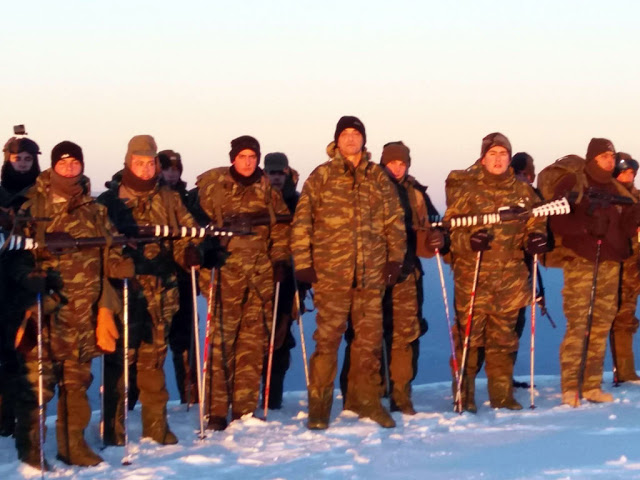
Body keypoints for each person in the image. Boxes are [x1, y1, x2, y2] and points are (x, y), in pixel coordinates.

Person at [14, 141, 129, 468]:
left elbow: (110, 249)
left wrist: (119, 265)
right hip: (46, 309)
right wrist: (28, 276)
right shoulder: (32, 207)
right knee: (40, 384)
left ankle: (72, 444)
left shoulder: (95, 209)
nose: (69, 168)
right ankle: (31, 449)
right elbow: (13, 254)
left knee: (77, 384)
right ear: (53, 167)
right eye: (62, 163)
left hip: (85, 311)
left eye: (74, 163)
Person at [291, 116, 407, 429]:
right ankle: (319, 408)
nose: (351, 139)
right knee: (326, 342)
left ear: (364, 140)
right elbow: (302, 222)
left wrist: (394, 260)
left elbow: (394, 222)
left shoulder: (378, 178)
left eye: (356, 134)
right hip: (332, 275)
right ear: (337, 140)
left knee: (368, 344)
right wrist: (303, 262)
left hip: (370, 274)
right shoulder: (321, 176)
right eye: (346, 134)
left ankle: (365, 402)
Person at [98, 135, 202, 446]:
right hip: (123, 295)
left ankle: (156, 425)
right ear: (128, 163)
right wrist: (117, 261)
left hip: (161, 292)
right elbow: (96, 246)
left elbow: (189, 231)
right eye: (139, 163)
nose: (145, 169)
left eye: (150, 163)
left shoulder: (169, 198)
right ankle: (114, 428)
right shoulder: (109, 202)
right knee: (119, 362)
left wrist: (189, 251)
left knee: (153, 361)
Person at [444, 133, 548, 413]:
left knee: (503, 341)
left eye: (503, 154)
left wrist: (536, 238)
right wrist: (469, 242)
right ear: (483, 158)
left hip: (510, 279)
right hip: (473, 277)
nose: (499, 159)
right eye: (493, 154)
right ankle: (463, 398)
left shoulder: (523, 191)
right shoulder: (467, 191)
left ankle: (502, 396)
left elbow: (537, 222)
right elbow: (448, 232)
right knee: (469, 341)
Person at [342, 141, 443, 415]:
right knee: (365, 336)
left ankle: (401, 395)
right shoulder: (367, 186)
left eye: (402, 163)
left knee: (405, 335)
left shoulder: (416, 193)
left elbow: (434, 226)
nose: (397, 168)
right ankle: (359, 396)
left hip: (406, 273)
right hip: (370, 272)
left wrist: (437, 238)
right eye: (392, 163)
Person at [197, 135, 291, 431]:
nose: (248, 162)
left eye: (253, 157)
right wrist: (205, 255)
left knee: (252, 342)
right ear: (233, 158)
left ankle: (244, 407)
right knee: (222, 341)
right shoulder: (215, 189)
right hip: (225, 274)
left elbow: (281, 230)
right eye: (243, 157)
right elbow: (200, 227)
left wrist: (278, 260)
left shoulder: (268, 191)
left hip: (261, 276)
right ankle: (215, 410)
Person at [550, 138, 638, 406]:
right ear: (592, 159)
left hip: (611, 264)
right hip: (581, 263)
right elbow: (557, 220)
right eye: (604, 156)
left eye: (612, 156)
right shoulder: (574, 184)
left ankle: (591, 385)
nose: (610, 160)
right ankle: (569, 387)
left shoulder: (616, 189)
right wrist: (586, 226)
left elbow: (626, 225)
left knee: (600, 325)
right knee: (578, 325)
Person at [0, 136, 41, 438]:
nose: (23, 164)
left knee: (24, 350)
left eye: (28, 159)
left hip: (28, 280)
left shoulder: (40, 195)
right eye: (18, 159)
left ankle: (18, 416)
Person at [158, 149, 199, 404]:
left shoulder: (187, 198)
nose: (172, 174)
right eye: (167, 169)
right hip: (157, 278)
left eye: (176, 169)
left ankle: (189, 396)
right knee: (152, 343)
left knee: (185, 342)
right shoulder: (153, 198)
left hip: (184, 278)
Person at [261, 152, 299, 409]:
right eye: (271, 172)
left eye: (280, 173)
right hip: (257, 276)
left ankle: (272, 397)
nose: (276, 177)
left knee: (281, 335)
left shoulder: (298, 202)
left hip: (288, 277)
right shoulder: (257, 199)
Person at [510, 151, 546, 388]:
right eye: (523, 174)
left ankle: (505, 377)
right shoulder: (510, 196)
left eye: (528, 175)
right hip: (506, 271)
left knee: (515, 326)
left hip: (523, 271)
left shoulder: (533, 199)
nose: (526, 180)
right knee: (504, 327)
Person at [609, 152, 640, 383]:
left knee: (626, 317)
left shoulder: (637, 199)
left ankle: (626, 370)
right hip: (608, 267)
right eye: (624, 172)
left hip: (632, 268)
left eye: (631, 172)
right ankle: (588, 375)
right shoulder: (606, 197)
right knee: (601, 320)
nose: (628, 177)